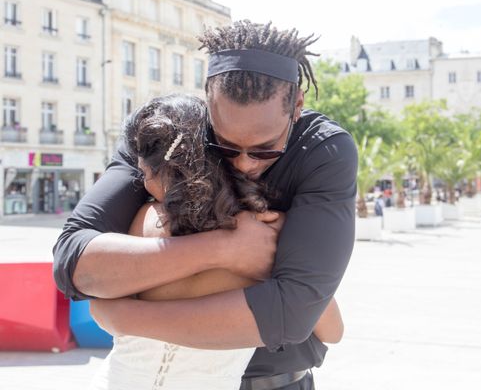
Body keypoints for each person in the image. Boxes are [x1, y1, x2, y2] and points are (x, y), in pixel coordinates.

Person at [53, 20, 358, 390]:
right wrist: (224, 249)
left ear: (296, 105)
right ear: (207, 98)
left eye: (265, 149)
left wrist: (127, 318)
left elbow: (290, 316)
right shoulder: (166, 136)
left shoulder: (323, 151)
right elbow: (73, 262)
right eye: (225, 146)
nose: (244, 163)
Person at [88, 94, 343, 390]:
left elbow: (97, 306)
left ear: (160, 170)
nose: (143, 184)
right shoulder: (264, 233)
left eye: (143, 174)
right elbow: (332, 330)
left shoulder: (140, 222)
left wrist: (120, 318)